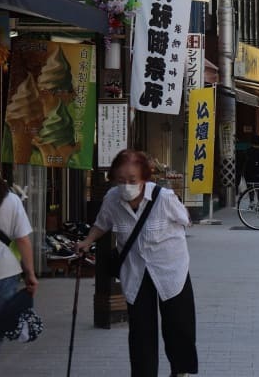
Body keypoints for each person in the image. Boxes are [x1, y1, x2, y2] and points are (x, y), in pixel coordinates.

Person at [76, 150, 197, 377]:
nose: (126, 186)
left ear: (144, 179)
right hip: (136, 270)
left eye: (132, 180)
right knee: (141, 330)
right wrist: (87, 240)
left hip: (170, 268)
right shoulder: (112, 198)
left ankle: (180, 371)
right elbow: (102, 223)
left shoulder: (164, 198)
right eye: (121, 180)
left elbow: (185, 220)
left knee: (178, 326)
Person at [0, 177, 37, 322]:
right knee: (2, 325)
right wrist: (30, 274)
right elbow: (22, 240)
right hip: (5, 272)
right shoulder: (11, 200)